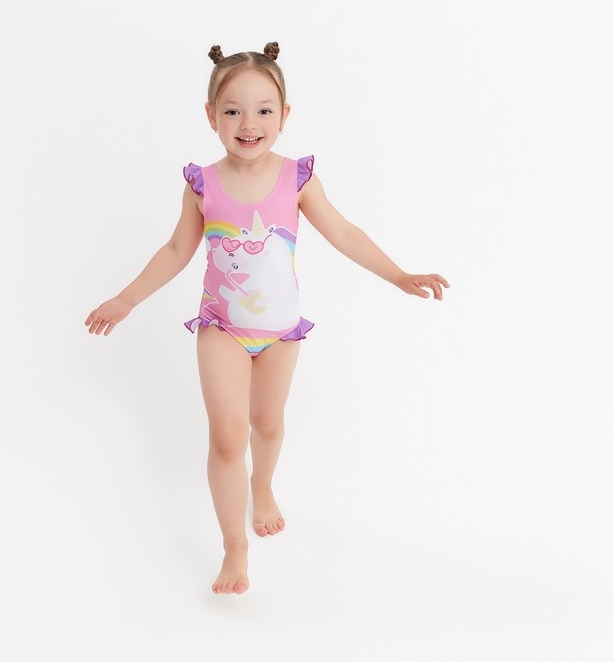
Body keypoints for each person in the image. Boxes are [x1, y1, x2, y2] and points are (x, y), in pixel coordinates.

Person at [85, 41, 449, 595]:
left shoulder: (296, 178)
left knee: (268, 424)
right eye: (232, 111)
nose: (248, 124)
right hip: (222, 329)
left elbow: (344, 232)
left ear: (284, 115)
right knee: (228, 437)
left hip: (281, 331)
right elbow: (177, 250)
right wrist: (126, 299)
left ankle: (263, 486)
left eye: (263, 110)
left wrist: (399, 275)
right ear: (211, 116)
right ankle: (235, 548)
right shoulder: (202, 184)